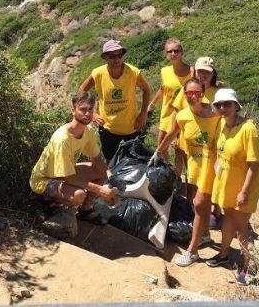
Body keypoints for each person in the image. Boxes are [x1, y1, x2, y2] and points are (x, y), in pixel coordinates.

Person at [30, 91, 119, 238]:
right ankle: (48, 203)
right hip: (44, 180)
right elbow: (68, 178)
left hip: (64, 172)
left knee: (99, 171)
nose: (87, 113)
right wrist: (100, 190)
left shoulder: (87, 131)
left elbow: (97, 160)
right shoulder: (62, 139)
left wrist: (111, 179)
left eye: (90, 109)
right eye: (82, 109)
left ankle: (85, 210)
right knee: (79, 194)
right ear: (73, 110)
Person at [153, 78, 220, 267]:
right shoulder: (182, 116)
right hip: (196, 167)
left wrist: (247, 122)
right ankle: (205, 235)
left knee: (198, 204)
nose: (193, 96)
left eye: (197, 92)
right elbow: (171, 134)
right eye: (189, 93)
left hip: (213, 168)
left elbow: (233, 122)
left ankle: (192, 251)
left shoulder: (215, 113)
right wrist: (158, 152)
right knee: (203, 204)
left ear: (203, 93)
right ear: (184, 94)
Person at [206, 88, 259, 286]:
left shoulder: (248, 129)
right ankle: (223, 254)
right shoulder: (221, 124)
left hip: (242, 188)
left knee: (241, 227)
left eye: (227, 104)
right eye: (219, 105)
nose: (223, 108)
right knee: (227, 219)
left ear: (236, 106)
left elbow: (253, 164)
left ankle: (248, 267)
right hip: (226, 184)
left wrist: (244, 191)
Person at [79, 39, 152, 161]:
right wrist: (92, 114)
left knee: (134, 161)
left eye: (119, 55)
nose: (116, 59)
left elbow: (146, 90)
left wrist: (143, 113)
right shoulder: (98, 73)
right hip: (108, 128)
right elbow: (81, 90)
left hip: (131, 127)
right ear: (105, 57)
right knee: (110, 161)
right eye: (112, 56)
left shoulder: (133, 72)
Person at [147, 38, 193, 178]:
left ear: (182, 52)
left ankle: (179, 176)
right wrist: (153, 104)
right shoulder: (165, 71)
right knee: (161, 144)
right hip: (167, 112)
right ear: (166, 54)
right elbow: (163, 88)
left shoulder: (192, 71)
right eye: (170, 51)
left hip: (185, 113)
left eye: (176, 51)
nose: (173, 54)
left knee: (181, 148)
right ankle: (169, 173)